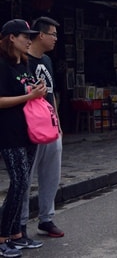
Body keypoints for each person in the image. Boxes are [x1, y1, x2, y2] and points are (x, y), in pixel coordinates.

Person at [0, 19, 46, 256]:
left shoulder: (23, 64)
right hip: (8, 133)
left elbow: (27, 92)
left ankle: (17, 234)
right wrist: (28, 97)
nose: (29, 40)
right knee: (17, 183)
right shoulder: (3, 65)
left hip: (28, 131)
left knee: (23, 184)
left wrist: (37, 91)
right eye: (25, 36)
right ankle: (1, 236)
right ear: (11, 38)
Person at [20, 17, 64, 239]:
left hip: (50, 124)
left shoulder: (46, 60)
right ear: (41, 35)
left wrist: (57, 121)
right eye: (53, 34)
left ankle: (46, 218)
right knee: (25, 176)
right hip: (30, 126)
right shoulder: (22, 60)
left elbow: (51, 93)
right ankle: (20, 222)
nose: (56, 39)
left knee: (51, 174)